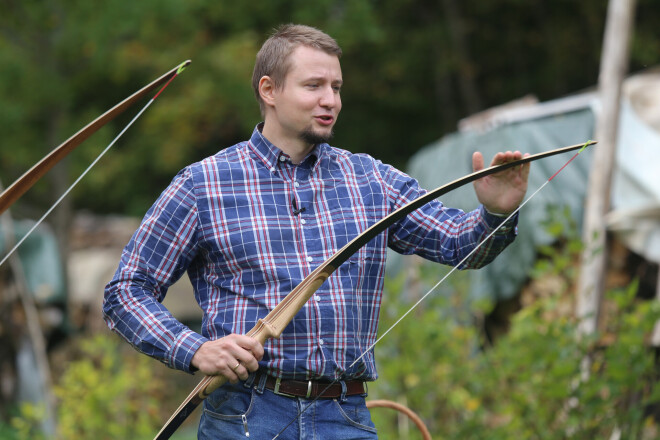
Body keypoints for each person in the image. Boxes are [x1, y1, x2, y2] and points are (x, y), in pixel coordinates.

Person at [103, 23, 530, 439]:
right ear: (269, 91)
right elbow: (125, 291)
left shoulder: (370, 179)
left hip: (344, 415)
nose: (330, 100)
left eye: (337, 87)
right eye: (314, 86)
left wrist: (494, 213)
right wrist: (194, 349)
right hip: (245, 415)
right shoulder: (204, 184)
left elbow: (461, 245)